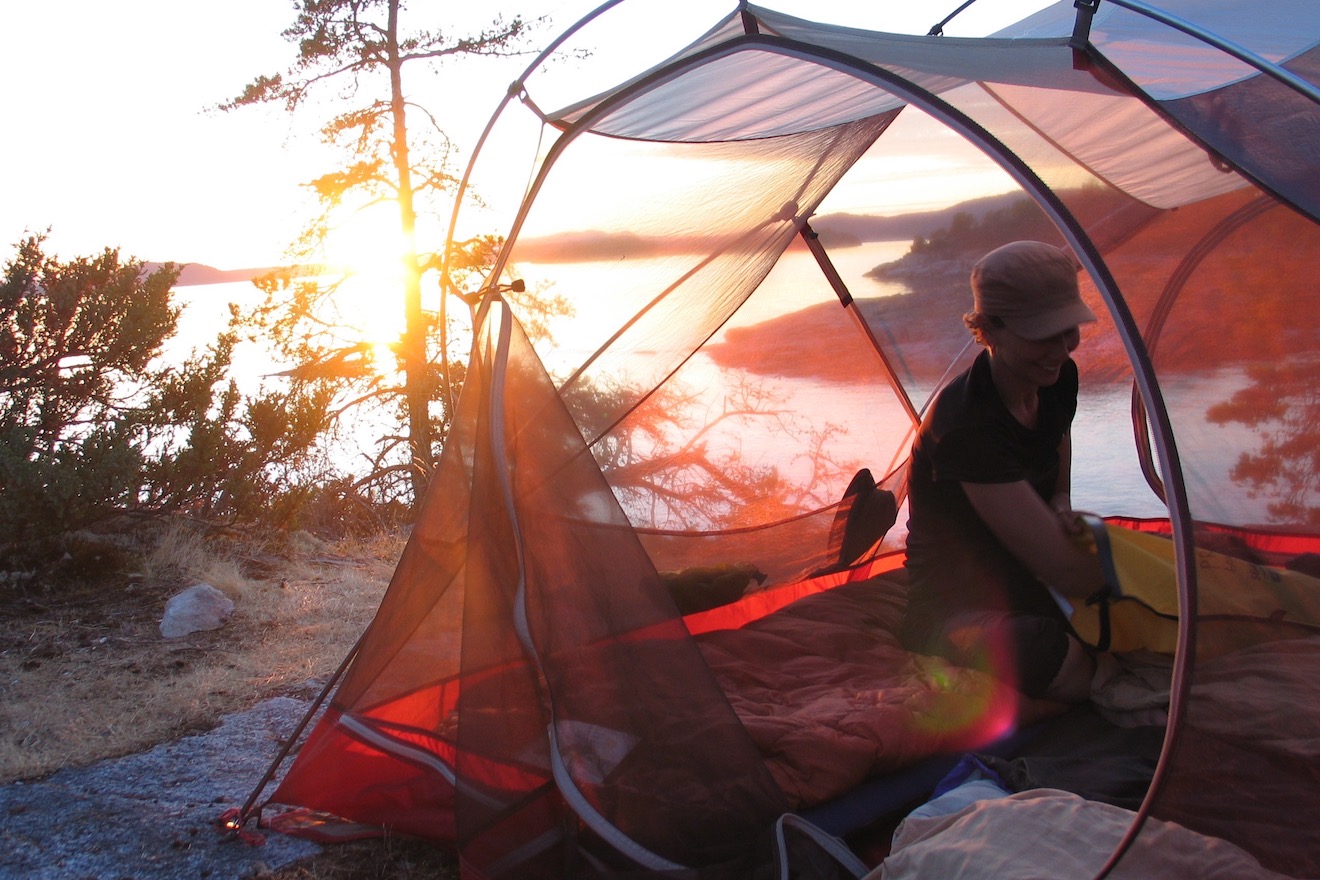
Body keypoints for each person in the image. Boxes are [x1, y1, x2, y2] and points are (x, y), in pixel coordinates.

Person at [901, 240, 1106, 703]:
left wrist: (1059, 501)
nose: (1061, 348)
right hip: (953, 611)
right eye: (1043, 334)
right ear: (990, 328)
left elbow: (1058, 438)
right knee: (1058, 656)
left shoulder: (1057, 378)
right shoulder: (966, 425)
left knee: (1113, 632)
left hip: (1024, 583)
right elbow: (1065, 571)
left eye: (1068, 330)